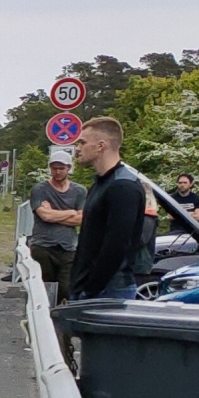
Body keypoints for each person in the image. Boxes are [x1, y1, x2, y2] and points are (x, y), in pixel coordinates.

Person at [69, 117, 154, 301]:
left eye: (82, 142)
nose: (77, 148)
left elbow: (117, 245)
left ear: (101, 146)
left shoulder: (123, 186)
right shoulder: (102, 183)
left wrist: (91, 290)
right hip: (89, 286)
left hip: (109, 290)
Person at [27, 146, 84, 300]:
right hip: (43, 246)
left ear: (68, 169)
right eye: (54, 168)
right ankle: (44, 319)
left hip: (68, 247)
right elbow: (45, 216)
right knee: (46, 287)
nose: (58, 172)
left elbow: (82, 218)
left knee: (66, 288)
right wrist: (71, 212)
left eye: (61, 168)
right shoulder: (40, 189)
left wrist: (55, 214)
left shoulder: (79, 191)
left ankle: (59, 316)